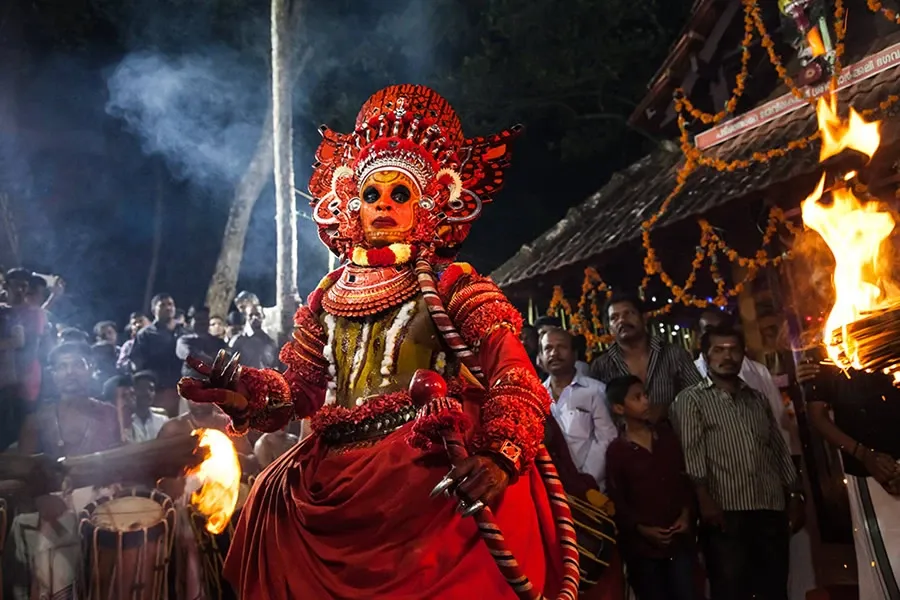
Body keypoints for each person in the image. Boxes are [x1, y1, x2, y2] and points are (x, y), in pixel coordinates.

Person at [179, 85, 577, 599]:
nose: (384, 205)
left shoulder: (454, 282)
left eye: (400, 194)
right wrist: (248, 394)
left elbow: (515, 373)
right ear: (351, 205)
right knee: (267, 502)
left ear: (429, 203)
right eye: (372, 194)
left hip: (423, 470)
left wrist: (501, 456)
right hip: (331, 475)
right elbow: (299, 392)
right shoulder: (327, 294)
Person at [670, 325, 803, 600]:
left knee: (774, 586)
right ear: (705, 356)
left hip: (769, 504)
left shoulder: (757, 398)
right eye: (718, 350)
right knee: (731, 588)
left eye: (734, 350)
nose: (727, 357)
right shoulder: (691, 399)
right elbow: (692, 452)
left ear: (744, 355)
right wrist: (704, 498)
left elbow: (777, 447)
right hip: (725, 510)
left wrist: (794, 493)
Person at [605, 375, 696, 600]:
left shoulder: (666, 437)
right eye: (637, 398)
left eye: (646, 395)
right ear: (619, 407)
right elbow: (618, 500)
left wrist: (686, 514)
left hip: (678, 539)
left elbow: (683, 480)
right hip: (643, 548)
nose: (646, 401)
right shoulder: (617, 451)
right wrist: (641, 529)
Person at [591, 292, 700, 423]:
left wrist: (667, 411)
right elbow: (599, 414)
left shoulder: (674, 354)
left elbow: (699, 398)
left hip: (678, 437)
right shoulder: (601, 366)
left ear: (644, 317)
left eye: (628, 313)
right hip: (627, 441)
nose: (622, 320)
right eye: (614, 317)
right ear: (609, 329)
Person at [541, 327, 617, 489]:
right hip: (552, 489)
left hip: (592, 489)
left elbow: (606, 437)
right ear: (540, 358)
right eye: (548, 348)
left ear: (575, 354)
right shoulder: (536, 396)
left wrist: (583, 479)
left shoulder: (595, 391)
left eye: (561, 347)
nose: (554, 353)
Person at [131, 294, 185, 417]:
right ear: (153, 310)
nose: (168, 308)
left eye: (170, 304)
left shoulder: (183, 331)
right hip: (159, 392)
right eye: (162, 305)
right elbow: (137, 362)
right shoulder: (145, 335)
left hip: (182, 392)